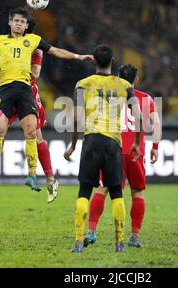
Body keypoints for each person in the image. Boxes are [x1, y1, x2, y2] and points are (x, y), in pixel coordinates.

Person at [0, 7, 93, 193]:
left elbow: (55, 51)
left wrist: (78, 56)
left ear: (27, 25)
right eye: (16, 20)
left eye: (22, 21)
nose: (19, 23)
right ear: (10, 23)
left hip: (25, 90)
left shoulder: (34, 41)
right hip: (4, 90)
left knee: (31, 132)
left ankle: (32, 176)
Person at [64, 45, 142, 253]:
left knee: (84, 191)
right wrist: (136, 142)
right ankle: (119, 243)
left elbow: (77, 118)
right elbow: (139, 115)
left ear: (94, 61)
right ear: (112, 61)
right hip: (113, 143)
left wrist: (72, 145)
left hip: (91, 141)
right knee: (116, 192)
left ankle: (79, 242)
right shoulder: (125, 85)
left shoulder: (83, 84)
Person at [0, 17, 59, 203]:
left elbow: (36, 74)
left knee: (37, 136)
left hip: (26, 92)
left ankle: (50, 179)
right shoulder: (12, 44)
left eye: (23, 26)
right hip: (9, 91)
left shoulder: (35, 47)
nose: (20, 28)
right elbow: (3, 56)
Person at [83, 64, 162, 248]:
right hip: (135, 152)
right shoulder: (145, 99)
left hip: (112, 149)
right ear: (136, 79)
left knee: (102, 189)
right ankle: (134, 236)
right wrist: (155, 146)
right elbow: (156, 123)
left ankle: (91, 232)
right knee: (137, 193)